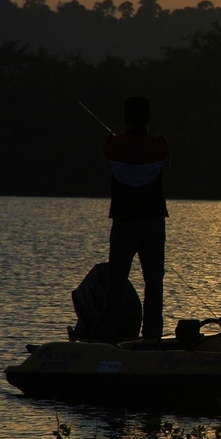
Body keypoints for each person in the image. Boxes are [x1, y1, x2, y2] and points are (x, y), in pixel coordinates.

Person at [91, 96, 171, 341]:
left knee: (117, 280)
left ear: (126, 118)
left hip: (124, 222)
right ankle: (152, 336)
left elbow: (108, 162)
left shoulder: (112, 145)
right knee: (154, 283)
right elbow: (165, 167)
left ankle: (106, 335)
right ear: (147, 118)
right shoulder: (160, 144)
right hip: (153, 222)